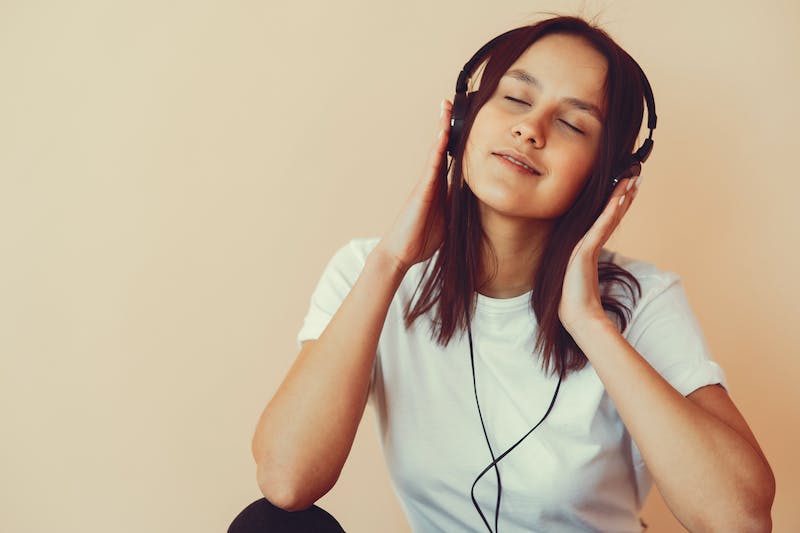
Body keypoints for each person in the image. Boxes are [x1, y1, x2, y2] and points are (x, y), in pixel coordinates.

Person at [231, 15, 775, 533]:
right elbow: (286, 480)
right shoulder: (370, 271)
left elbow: (740, 518)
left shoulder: (643, 300)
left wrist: (589, 322)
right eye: (514, 97)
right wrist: (391, 262)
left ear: (608, 177)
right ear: (462, 119)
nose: (530, 129)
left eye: (571, 123)